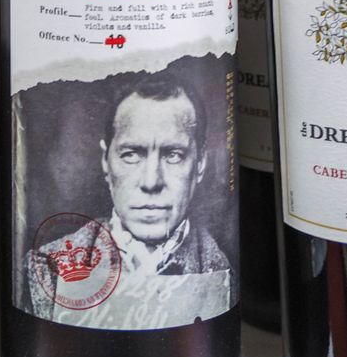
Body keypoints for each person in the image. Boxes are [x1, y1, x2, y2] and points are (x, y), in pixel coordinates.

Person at [23, 79, 231, 324]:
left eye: (173, 155)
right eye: (131, 154)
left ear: (200, 164)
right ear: (106, 161)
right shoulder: (45, 266)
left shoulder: (223, 268)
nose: (151, 182)